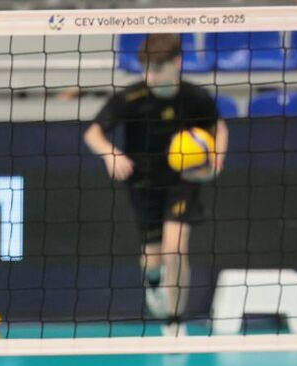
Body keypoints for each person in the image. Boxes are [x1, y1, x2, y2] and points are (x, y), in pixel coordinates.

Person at [84, 32, 227, 337]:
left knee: (175, 249)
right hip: (143, 184)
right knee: (153, 257)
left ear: (177, 62)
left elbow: (219, 126)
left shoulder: (195, 97)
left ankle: (174, 321)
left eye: (158, 68)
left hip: (183, 181)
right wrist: (111, 154)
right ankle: (153, 283)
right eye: (146, 68)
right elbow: (93, 133)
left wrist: (216, 159)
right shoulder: (131, 98)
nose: (151, 75)